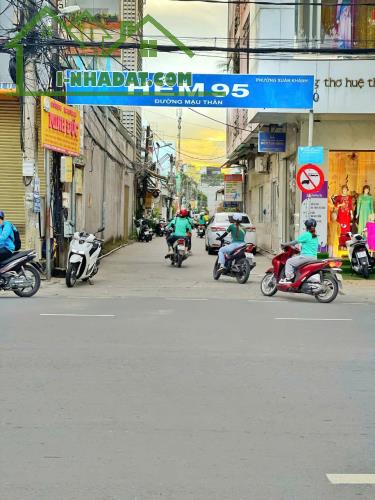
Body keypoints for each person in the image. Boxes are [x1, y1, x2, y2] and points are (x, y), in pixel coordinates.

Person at [280, 219, 319, 284]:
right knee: (296, 259)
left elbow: (295, 242)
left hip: (306, 257)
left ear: (306, 227)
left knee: (289, 262)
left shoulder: (307, 234)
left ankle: (289, 278)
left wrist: (285, 244)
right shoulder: (315, 236)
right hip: (314, 257)